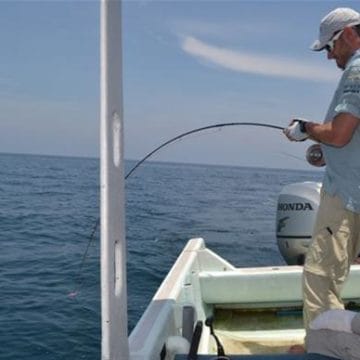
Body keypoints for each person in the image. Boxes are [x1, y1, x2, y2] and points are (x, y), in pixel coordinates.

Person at [284, 7, 360, 333]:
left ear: (346, 34)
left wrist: (306, 128)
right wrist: (324, 150)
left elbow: (340, 134)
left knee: (319, 277)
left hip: (346, 195)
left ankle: (324, 350)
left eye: (329, 47)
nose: (329, 57)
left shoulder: (357, 70)